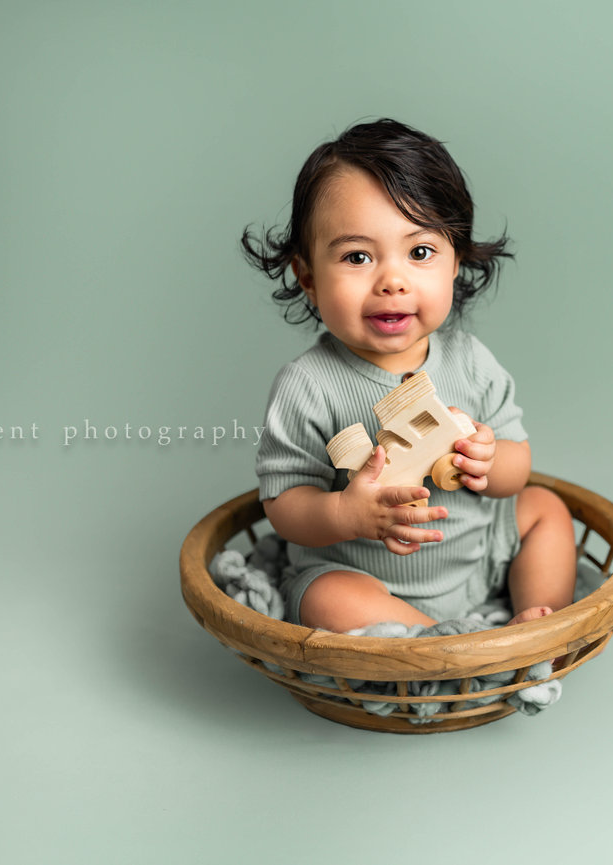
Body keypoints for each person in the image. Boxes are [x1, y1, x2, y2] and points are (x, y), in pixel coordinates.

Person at [243, 118, 575, 633]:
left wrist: (486, 459)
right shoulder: (309, 385)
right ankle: (434, 645)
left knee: (545, 509)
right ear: (307, 276)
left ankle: (536, 625)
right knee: (326, 599)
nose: (392, 281)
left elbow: (518, 465)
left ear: (455, 263)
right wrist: (348, 517)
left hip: (477, 562)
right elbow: (284, 504)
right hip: (369, 581)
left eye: (420, 252)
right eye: (357, 256)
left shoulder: (470, 360)